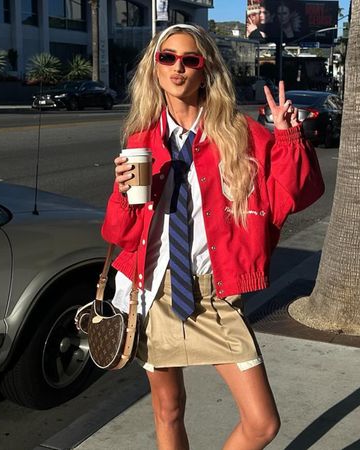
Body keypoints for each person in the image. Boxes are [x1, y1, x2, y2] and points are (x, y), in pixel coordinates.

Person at [102, 23, 324, 450]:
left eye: (190, 59)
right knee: (168, 411)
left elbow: (296, 194)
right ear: (154, 68)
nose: (178, 68)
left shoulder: (240, 133)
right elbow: (119, 234)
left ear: (206, 70)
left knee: (262, 423)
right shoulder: (141, 139)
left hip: (215, 293)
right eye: (167, 58)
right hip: (153, 292)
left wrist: (287, 135)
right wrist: (122, 193)